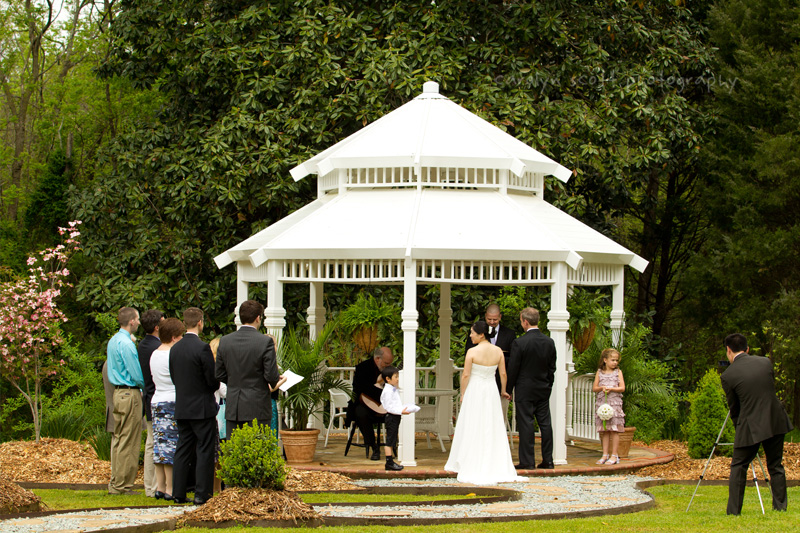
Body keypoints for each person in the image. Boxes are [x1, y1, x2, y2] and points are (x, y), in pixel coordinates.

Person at [720, 333, 793, 515]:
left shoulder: (728, 375)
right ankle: (780, 507)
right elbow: (768, 390)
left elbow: (734, 408)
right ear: (748, 349)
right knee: (776, 465)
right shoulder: (765, 362)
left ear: (728, 351)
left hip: (751, 425)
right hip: (775, 420)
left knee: (738, 466)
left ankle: (734, 511)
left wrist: (740, 428)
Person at [445, 321, 525, 484]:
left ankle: (468, 459)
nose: (470, 335)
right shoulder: (498, 351)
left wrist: (462, 394)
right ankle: (492, 460)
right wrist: (504, 390)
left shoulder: (472, 352)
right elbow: (503, 373)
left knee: (473, 423)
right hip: (490, 390)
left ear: (481, 334)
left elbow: (466, 375)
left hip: (475, 390)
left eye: (472, 332)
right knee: (491, 424)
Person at [170, 307, 220, 505]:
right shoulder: (202, 348)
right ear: (200, 322)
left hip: (182, 405)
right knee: (204, 450)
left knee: (182, 448)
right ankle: (202, 493)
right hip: (201, 407)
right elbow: (211, 379)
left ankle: (178, 492)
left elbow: (175, 377)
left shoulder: (175, 348)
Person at [215, 300, 281, 438]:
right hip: (258, 405)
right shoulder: (265, 342)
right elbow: (271, 376)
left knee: (235, 450)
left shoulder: (225, 341)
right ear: (258, 318)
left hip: (234, 405)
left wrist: (235, 382)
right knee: (258, 450)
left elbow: (219, 374)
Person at [506, 307, 557, 470]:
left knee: (526, 424)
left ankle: (528, 461)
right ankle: (548, 460)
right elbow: (552, 367)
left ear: (525, 322)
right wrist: (548, 385)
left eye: (521, 321)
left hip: (525, 389)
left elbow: (513, 369)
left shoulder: (519, 343)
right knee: (546, 424)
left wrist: (508, 389)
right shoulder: (549, 342)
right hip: (543, 388)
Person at [106, 307, 144, 495]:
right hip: (130, 393)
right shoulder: (127, 344)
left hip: (118, 394)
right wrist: (145, 386)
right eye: (137, 319)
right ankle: (123, 485)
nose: (138, 322)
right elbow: (135, 373)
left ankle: (116, 481)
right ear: (131, 321)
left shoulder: (113, 340)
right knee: (129, 440)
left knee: (119, 438)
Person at [149, 317, 185, 501]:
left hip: (157, 400)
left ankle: (160, 486)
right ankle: (170, 488)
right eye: (180, 337)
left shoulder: (155, 353)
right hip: (171, 400)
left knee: (159, 445)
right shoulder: (171, 355)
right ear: (173, 337)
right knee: (171, 445)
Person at [138, 309, 164, 498]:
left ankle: (151, 485)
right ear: (157, 327)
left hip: (148, 397)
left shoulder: (141, 345)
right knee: (155, 442)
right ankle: (154, 485)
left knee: (151, 442)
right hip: (157, 397)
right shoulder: (156, 348)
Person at [350, 346, 394, 460]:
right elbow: (359, 387)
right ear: (378, 359)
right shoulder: (362, 368)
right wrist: (378, 391)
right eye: (386, 363)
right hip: (365, 403)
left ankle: (393, 445)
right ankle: (373, 446)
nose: (388, 366)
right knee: (360, 413)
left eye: (390, 363)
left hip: (383, 405)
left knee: (396, 413)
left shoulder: (389, 370)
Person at [464, 304, 516, 394]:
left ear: (500, 317)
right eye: (489, 319)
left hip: (500, 382)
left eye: (495, 319)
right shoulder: (475, 333)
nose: (492, 322)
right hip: (478, 383)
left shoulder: (509, 334)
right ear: (485, 316)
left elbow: (513, 358)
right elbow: (468, 353)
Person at [379, 366, 416, 471]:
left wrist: (403, 408)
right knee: (390, 440)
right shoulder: (388, 391)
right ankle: (389, 462)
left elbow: (395, 404)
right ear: (388, 379)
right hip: (391, 417)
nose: (398, 379)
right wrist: (401, 411)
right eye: (396, 376)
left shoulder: (393, 389)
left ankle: (390, 461)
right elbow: (389, 407)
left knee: (393, 439)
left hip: (396, 416)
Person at [592, 348, 625, 465]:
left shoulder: (618, 372)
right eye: (613, 360)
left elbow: (622, 387)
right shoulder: (599, 372)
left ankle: (614, 455)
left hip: (614, 403)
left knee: (614, 429)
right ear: (605, 360)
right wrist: (602, 388)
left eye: (616, 360)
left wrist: (612, 389)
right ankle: (604, 454)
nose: (615, 362)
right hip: (603, 403)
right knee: (604, 429)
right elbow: (594, 388)